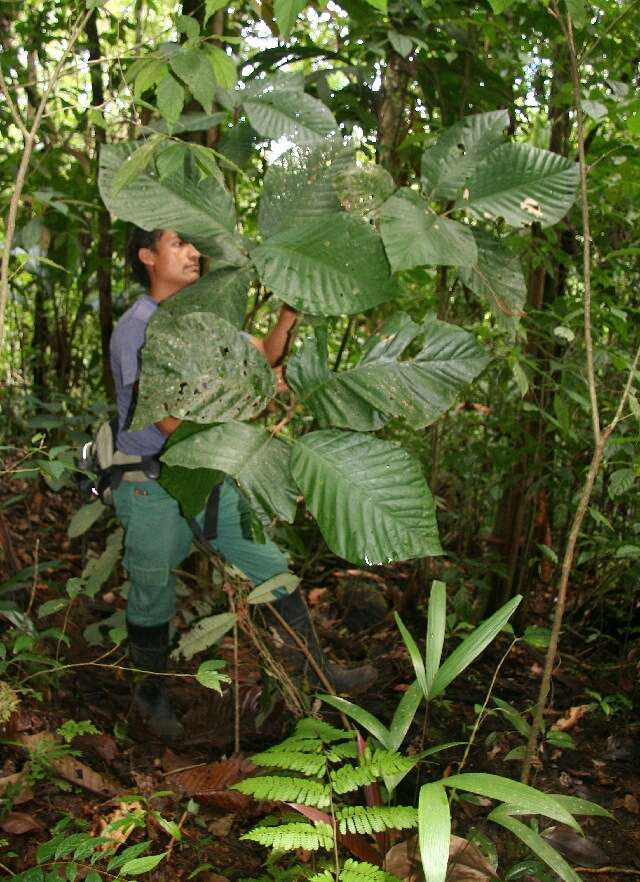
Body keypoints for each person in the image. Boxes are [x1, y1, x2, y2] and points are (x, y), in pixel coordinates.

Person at [109, 226, 375, 741]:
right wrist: (249, 401)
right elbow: (166, 421)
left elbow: (263, 356)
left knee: (270, 567)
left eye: (193, 244)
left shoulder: (203, 316)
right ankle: (150, 699)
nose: (191, 253)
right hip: (152, 483)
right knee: (152, 592)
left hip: (207, 472)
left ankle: (317, 676)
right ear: (147, 257)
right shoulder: (136, 328)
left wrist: (288, 315)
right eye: (176, 244)